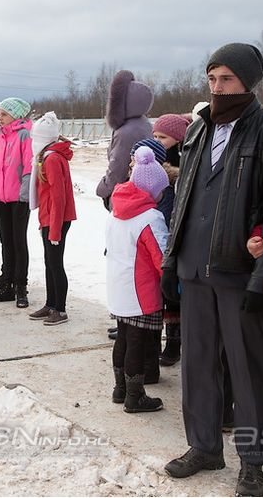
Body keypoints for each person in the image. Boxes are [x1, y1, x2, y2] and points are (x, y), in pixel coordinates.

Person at [160, 43, 263, 497]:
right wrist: (170, 261)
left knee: (249, 368)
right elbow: (184, 201)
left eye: (227, 79)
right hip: (195, 268)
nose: (218, 88)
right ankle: (204, 446)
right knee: (197, 363)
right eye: (212, 79)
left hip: (238, 272)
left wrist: (262, 277)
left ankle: (252, 462)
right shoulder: (198, 130)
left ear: (249, 82)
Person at [107, 146, 169, 413]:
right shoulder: (150, 217)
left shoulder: (117, 210)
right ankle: (135, 396)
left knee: (123, 337)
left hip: (118, 286)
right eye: (161, 190)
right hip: (141, 292)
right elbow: (160, 256)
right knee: (137, 342)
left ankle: (120, 388)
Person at [27, 112, 76, 326]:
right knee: (49, 262)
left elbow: (58, 197)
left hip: (57, 219)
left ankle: (61, 309)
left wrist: (55, 230)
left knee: (56, 263)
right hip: (48, 217)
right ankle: (50, 303)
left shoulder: (53, 158)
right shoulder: (45, 156)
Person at [0, 97, 34, 308]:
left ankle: (21, 287)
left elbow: (29, 169)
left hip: (18, 199)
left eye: (3, 114)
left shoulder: (25, 135)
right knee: (6, 241)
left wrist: (23, 198)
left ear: (16, 115)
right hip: (1, 198)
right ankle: (7, 282)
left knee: (18, 243)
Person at [95, 70, 154, 211]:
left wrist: (102, 189)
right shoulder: (144, 124)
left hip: (126, 198)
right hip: (142, 195)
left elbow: (118, 169)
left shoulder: (126, 133)